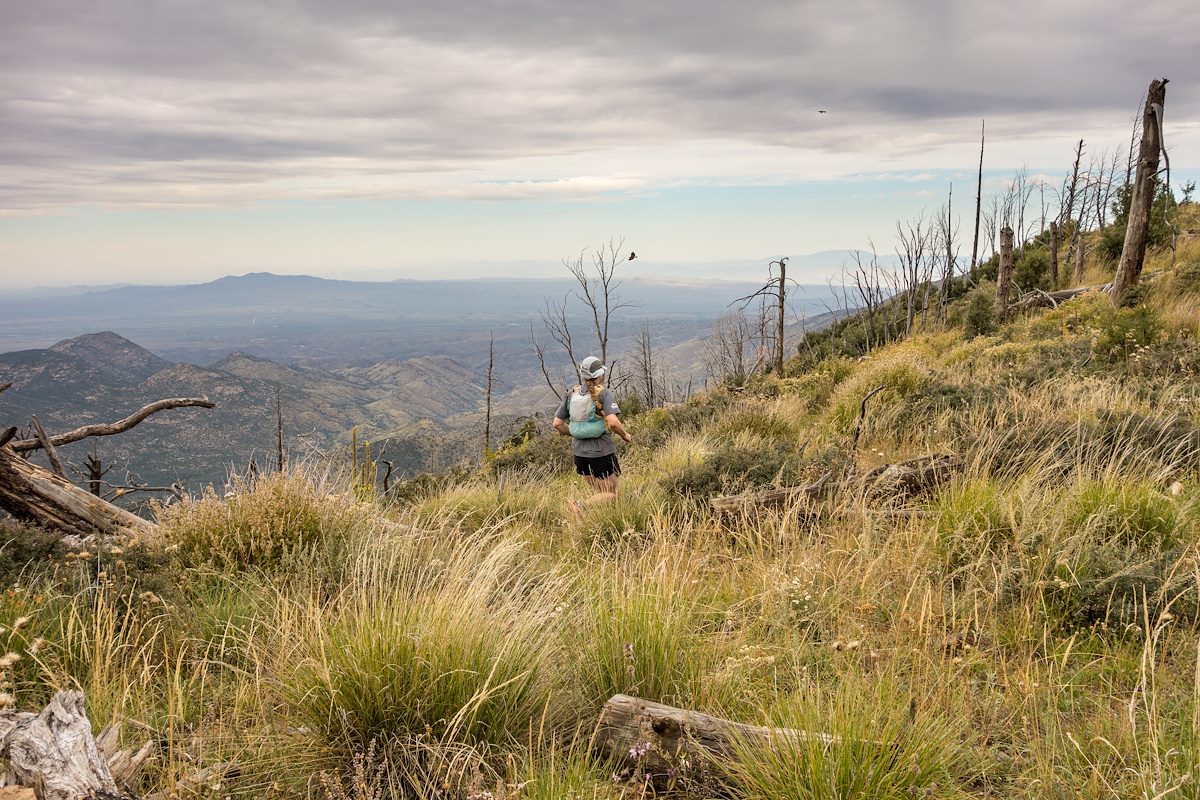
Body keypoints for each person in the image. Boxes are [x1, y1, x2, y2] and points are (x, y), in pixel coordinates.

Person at [552, 356, 632, 510]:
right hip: (600, 452)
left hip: (579, 453)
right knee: (613, 494)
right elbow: (613, 422)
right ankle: (581, 507)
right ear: (600, 374)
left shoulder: (572, 393)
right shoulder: (603, 394)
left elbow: (557, 423)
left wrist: (575, 433)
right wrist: (625, 435)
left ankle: (595, 519)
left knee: (600, 493)